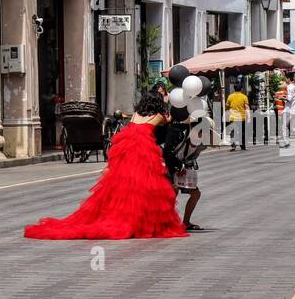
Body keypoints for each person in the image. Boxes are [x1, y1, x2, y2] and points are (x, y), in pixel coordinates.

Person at [25, 91, 188, 240]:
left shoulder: (136, 114)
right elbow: (170, 120)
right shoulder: (159, 116)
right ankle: (143, 221)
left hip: (127, 147)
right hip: (144, 149)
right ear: (158, 104)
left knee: (124, 184)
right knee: (146, 185)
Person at [225, 80, 250, 151]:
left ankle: (233, 146)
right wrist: (249, 117)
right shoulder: (244, 97)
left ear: (234, 88)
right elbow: (247, 107)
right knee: (242, 132)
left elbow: (227, 107)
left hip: (232, 117)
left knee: (233, 132)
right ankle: (243, 145)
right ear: (241, 89)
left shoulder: (230, 97)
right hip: (242, 118)